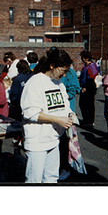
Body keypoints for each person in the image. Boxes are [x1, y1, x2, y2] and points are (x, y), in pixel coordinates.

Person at [20, 48, 76, 183]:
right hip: (37, 140)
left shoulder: (59, 83)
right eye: (62, 71)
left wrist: (70, 114)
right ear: (52, 66)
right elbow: (30, 112)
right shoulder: (35, 82)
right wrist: (58, 119)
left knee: (51, 177)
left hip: (53, 137)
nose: (63, 75)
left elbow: (64, 104)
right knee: (35, 179)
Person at [59, 63, 80, 180]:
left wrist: (64, 97)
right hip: (57, 114)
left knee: (66, 142)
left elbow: (74, 89)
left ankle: (66, 168)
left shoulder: (70, 73)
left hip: (67, 111)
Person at [79, 50, 99, 127]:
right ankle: (86, 119)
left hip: (88, 88)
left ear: (87, 58)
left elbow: (92, 78)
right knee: (83, 104)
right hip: (84, 87)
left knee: (88, 105)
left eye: (83, 57)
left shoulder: (92, 66)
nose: (81, 59)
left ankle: (90, 121)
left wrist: (86, 87)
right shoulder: (86, 66)